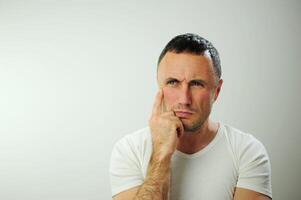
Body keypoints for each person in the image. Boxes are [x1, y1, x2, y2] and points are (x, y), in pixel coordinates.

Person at [109, 33, 272, 200]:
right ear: (160, 86)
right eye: (173, 82)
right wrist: (162, 153)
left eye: (196, 84)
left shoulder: (247, 151)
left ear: (217, 90)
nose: (184, 99)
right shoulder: (129, 150)